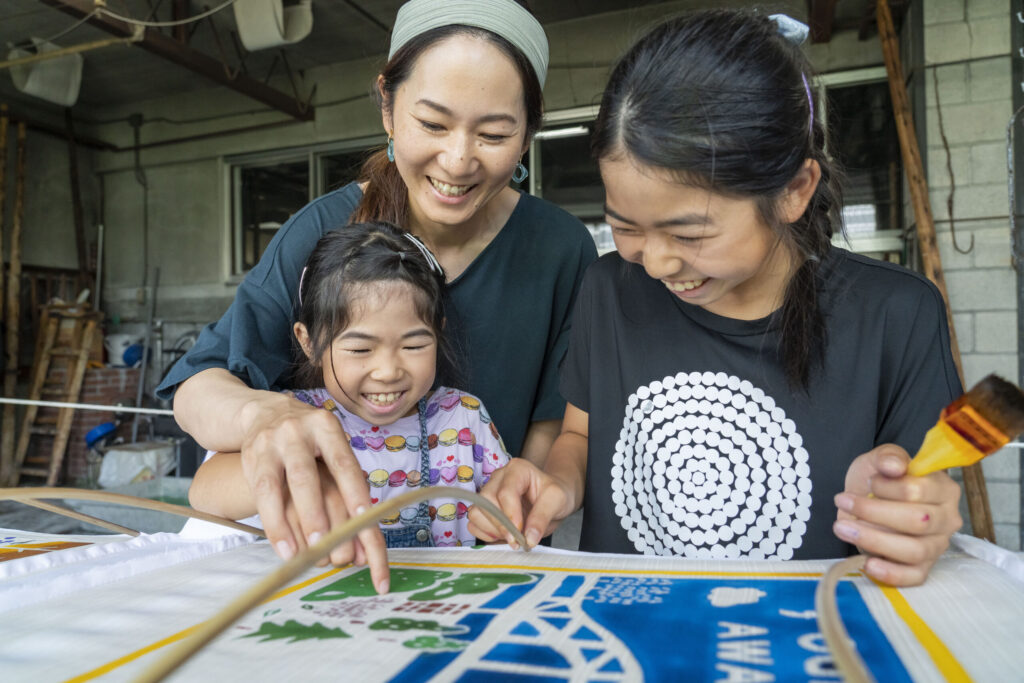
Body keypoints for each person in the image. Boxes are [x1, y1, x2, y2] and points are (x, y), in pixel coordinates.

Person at [468, 9, 964, 588]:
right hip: (630, 622)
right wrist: (556, 482)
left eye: (689, 234)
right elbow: (579, 435)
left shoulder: (897, 314)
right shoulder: (609, 290)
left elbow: (924, 486)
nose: (656, 262)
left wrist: (905, 512)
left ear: (794, 190)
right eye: (624, 226)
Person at [157, 0, 596, 590]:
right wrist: (266, 416)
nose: (458, 161)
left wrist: (521, 493)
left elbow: (556, 418)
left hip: (483, 558)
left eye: (494, 134)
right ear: (388, 107)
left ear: (527, 136)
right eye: (433, 124)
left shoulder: (559, 247)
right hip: (329, 567)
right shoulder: (322, 231)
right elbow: (199, 385)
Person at [189, 222, 511, 553]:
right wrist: (285, 476)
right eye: (360, 349)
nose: (388, 372)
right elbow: (202, 491)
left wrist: (504, 511)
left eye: (414, 346)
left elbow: (506, 499)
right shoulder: (297, 420)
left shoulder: (463, 418)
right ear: (309, 343)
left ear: (438, 335)